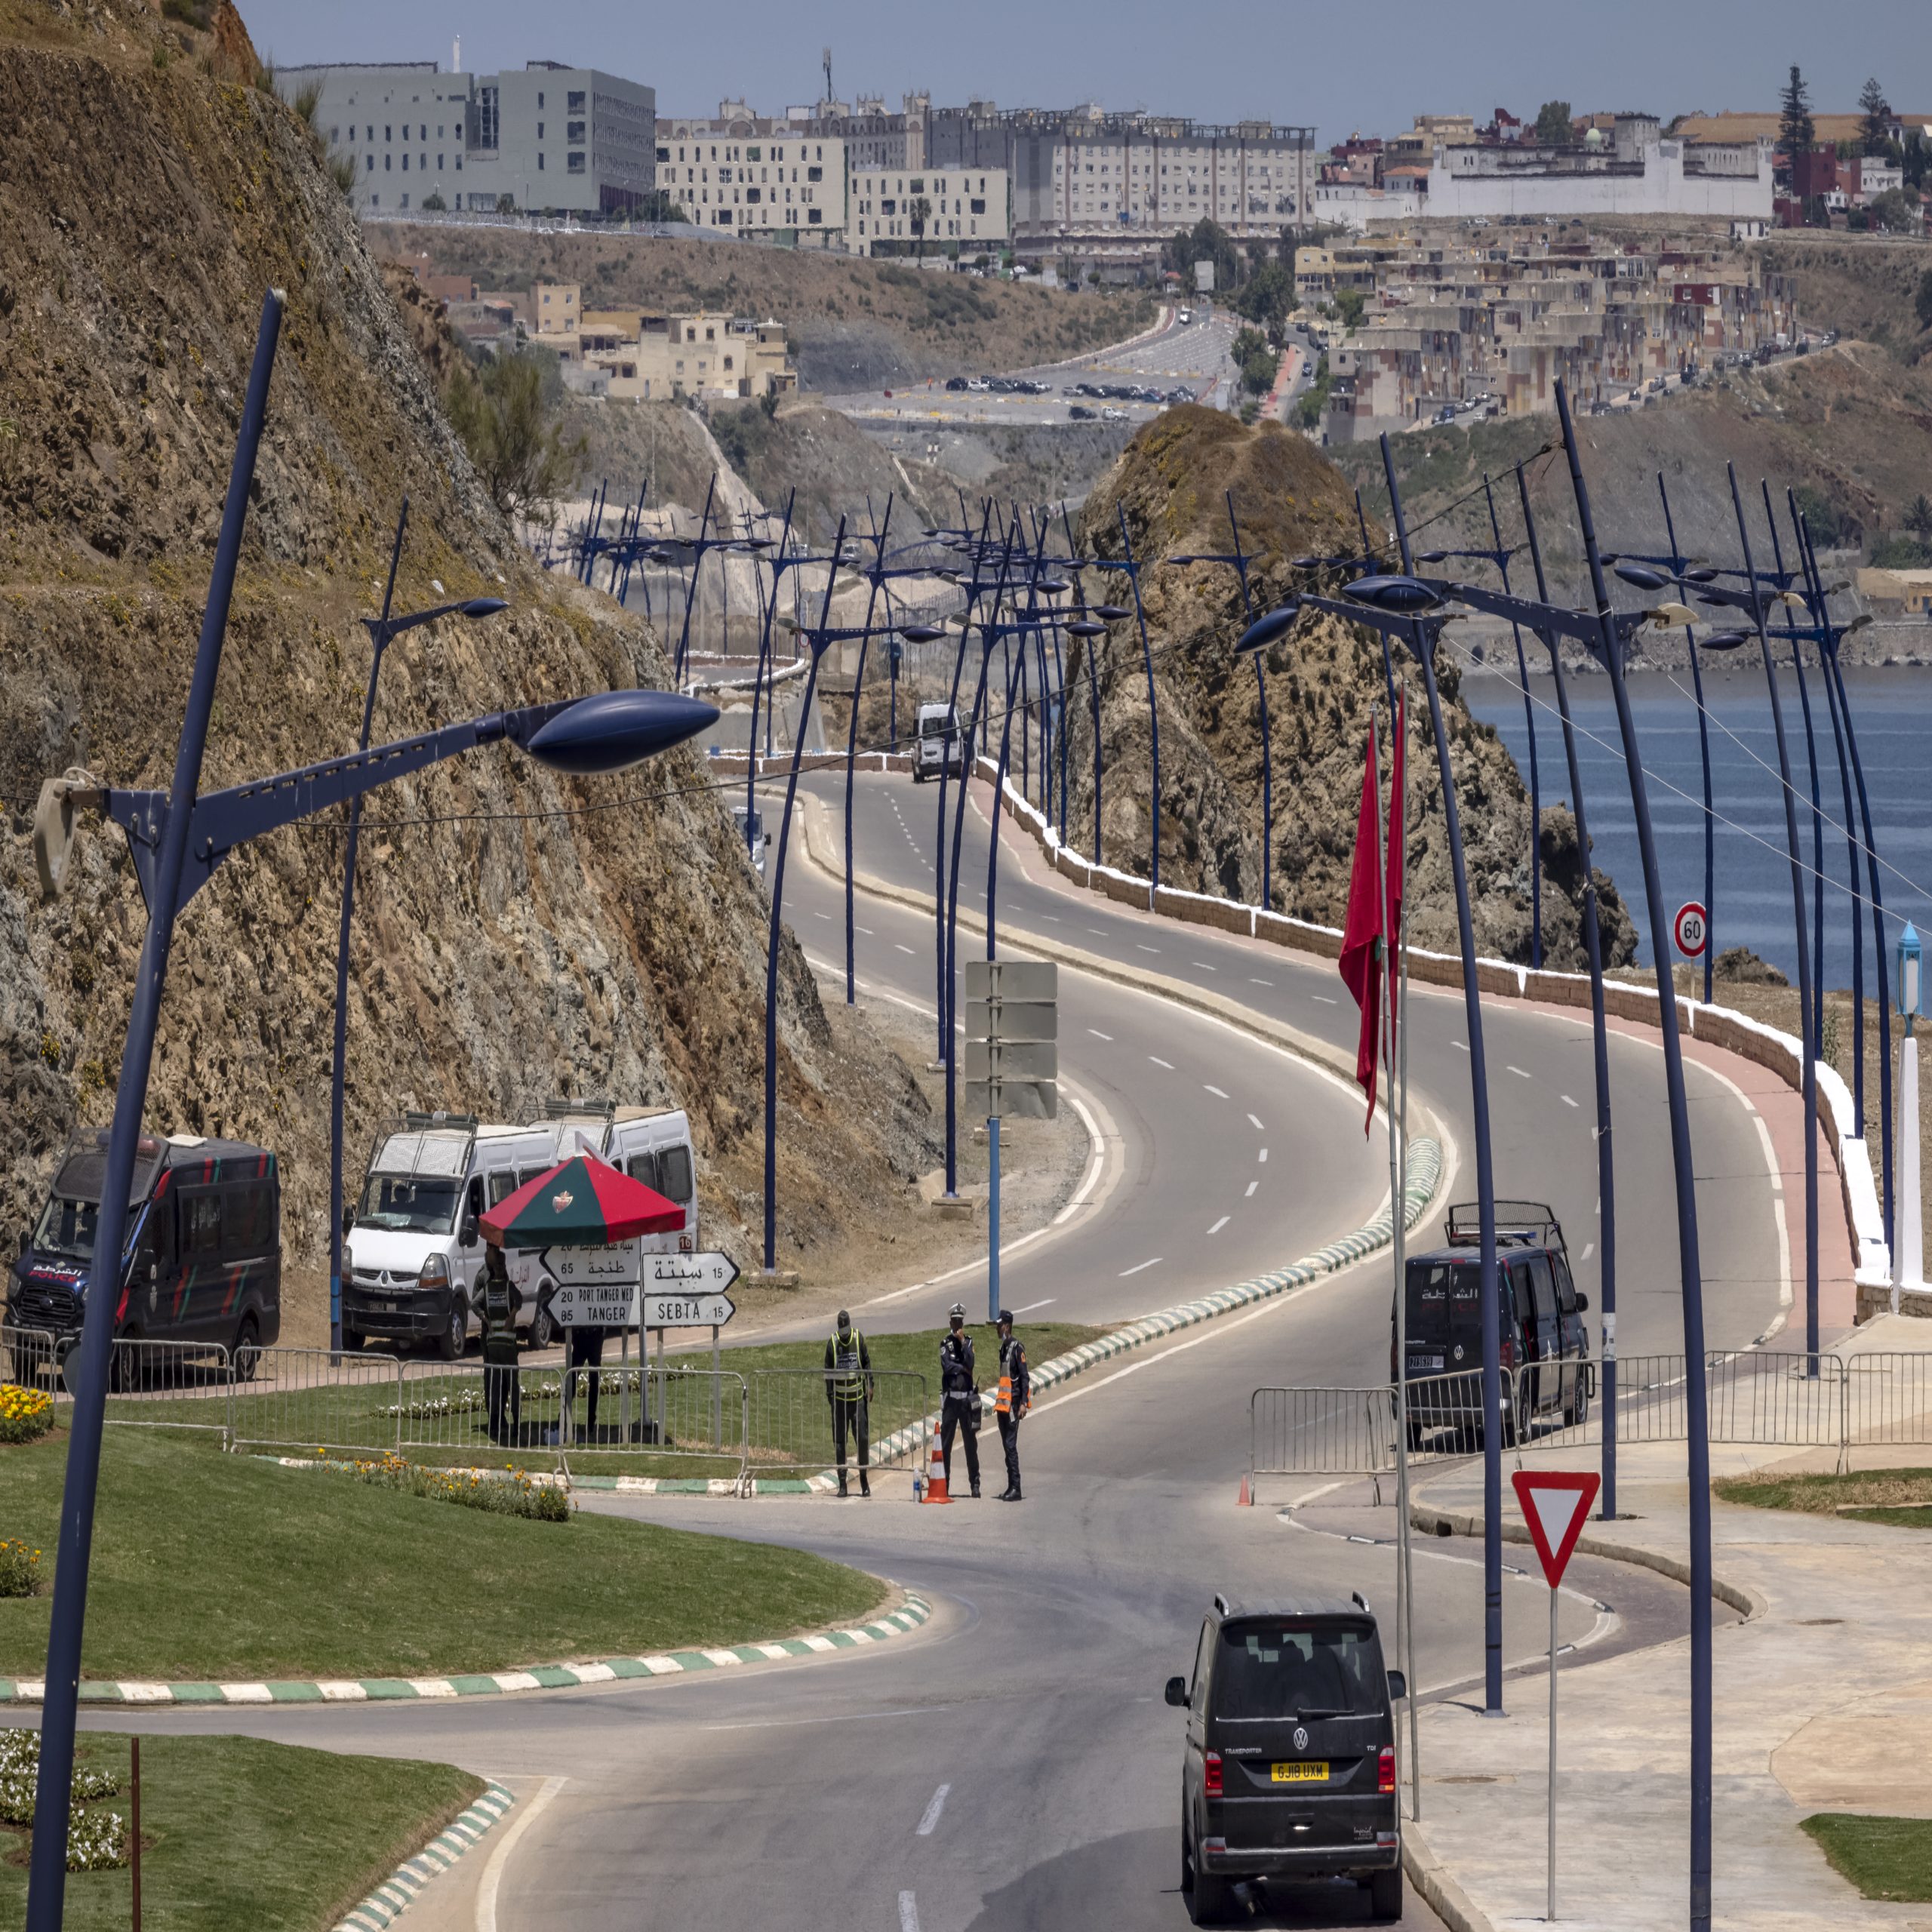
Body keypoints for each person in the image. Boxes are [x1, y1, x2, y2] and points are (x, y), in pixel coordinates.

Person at [824, 1309, 875, 1497]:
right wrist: (830, 1397)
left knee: (862, 1439)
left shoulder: (857, 1338)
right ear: (839, 1328)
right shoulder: (833, 1343)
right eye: (842, 1330)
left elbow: (867, 1362)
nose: (845, 1334)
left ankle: (863, 1479)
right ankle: (842, 1483)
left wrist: (871, 1385)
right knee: (840, 1444)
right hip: (840, 1404)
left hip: (858, 1402)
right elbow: (828, 1372)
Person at [939, 1300, 981, 1498]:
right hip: (950, 1401)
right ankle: (945, 1484)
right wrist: (961, 1368)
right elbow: (947, 1367)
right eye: (955, 1322)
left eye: (960, 1322)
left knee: (970, 1445)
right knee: (946, 1445)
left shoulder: (969, 1342)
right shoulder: (945, 1343)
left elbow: (971, 1363)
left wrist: (964, 1343)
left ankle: (975, 1483)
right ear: (950, 1324)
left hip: (965, 1401)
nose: (958, 1326)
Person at [480, 1245, 521, 1444]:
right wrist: (512, 1315)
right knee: (513, 1386)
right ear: (503, 1267)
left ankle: (494, 1427)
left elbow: (473, 1304)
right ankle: (516, 1426)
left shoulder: (487, 1289)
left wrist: (486, 1320)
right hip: (507, 1346)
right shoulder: (509, 1287)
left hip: (492, 1345)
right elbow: (520, 1300)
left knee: (495, 1388)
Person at [994, 1308, 1029, 1501]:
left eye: (999, 1326)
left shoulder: (1017, 1348)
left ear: (1006, 1326)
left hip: (1014, 1404)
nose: (997, 1329)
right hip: (1004, 1405)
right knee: (1007, 1447)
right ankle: (1010, 1486)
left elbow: (1025, 1377)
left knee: (1010, 1445)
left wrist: (1023, 1403)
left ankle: (1017, 1487)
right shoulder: (1004, 1348)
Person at [566, 1319, 608, 1441]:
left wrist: (601, 1332)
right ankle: (563, 1418)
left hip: (595, 1336)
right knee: (571, 1380)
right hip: (580, 1336)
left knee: (594, 1382)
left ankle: (591, 1423)